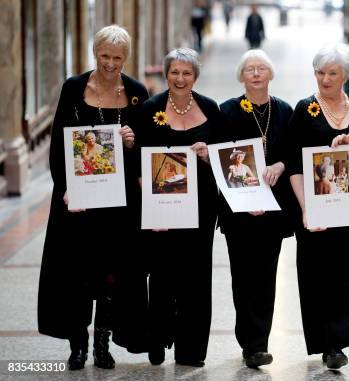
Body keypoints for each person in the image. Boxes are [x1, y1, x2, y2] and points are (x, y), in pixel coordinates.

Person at [38, 25, 149, 370]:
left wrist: (133, 141)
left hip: (120, 205)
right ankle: (78, 344)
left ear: (125, 58)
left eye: (117, 57)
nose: (110, 63)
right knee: (77, 274)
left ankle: (103, 343)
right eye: (104, 56)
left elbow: (145, 146)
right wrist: (65, 188)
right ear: (94, 53)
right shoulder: (74, 88)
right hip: (80, 202)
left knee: (112, 274)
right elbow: (59, 143)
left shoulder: (135, 92)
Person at [286, 43, 349, 369]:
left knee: (348, 271)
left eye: (332, 73)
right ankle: (323, 339)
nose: (325, 79)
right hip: (315, 203)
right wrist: (304, 208)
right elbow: (295, 165)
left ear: (345, 76)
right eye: (320, 73)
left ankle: (337, 343)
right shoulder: (304, 109)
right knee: (316, 272)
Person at [137, 48, 225, 368]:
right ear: (166, 74)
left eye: (187, 73)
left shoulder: (211, 109)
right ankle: (158, 338)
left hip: (201, 208)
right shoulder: (150, 109)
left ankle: (191, 350)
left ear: (195, 76)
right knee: (161, 275)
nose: (180, 78)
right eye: (174, 72)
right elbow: (138, 160)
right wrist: (144, 186)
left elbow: (226, 159)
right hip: (162, 208)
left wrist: (207, 155)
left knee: (197, 278)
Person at [218, 49, 298, 368]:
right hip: (238, 211)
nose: (255, 73)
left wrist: (279, 163)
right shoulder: (228, 111)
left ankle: (259, 343)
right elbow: (222, 158)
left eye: (261, 68)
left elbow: (295, 152)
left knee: (266, 276)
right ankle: (247, 339)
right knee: (243, 276)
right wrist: (246, 201)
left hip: (274, 211)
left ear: (270, 75)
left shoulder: (284, 111)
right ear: (241, 76)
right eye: (249, 69)